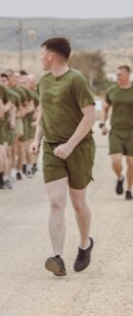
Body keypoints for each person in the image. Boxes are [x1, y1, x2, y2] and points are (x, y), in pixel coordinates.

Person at [31, 37, 96, 277]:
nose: (40, 58)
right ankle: (57, 257)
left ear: (51, 56)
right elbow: (43, 111)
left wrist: (70, 145)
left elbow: (90, 116)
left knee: (78, 204)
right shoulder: (43, 81)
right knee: (57, 202)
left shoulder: (76, 80)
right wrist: (36, 139)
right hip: (52, 149)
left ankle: (84, 244)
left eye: (41, 54)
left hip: (78, 148)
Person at [101, 64, 133, 199]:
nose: (117, 77)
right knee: (116, 161)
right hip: (116, 131)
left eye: (120, 75)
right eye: (116, 74)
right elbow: (105, 108)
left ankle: (128, 190)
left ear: (128, 74)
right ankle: (120, 177)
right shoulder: (112, 91)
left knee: (131, 163)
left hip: (132, 132)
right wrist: (103, 124)